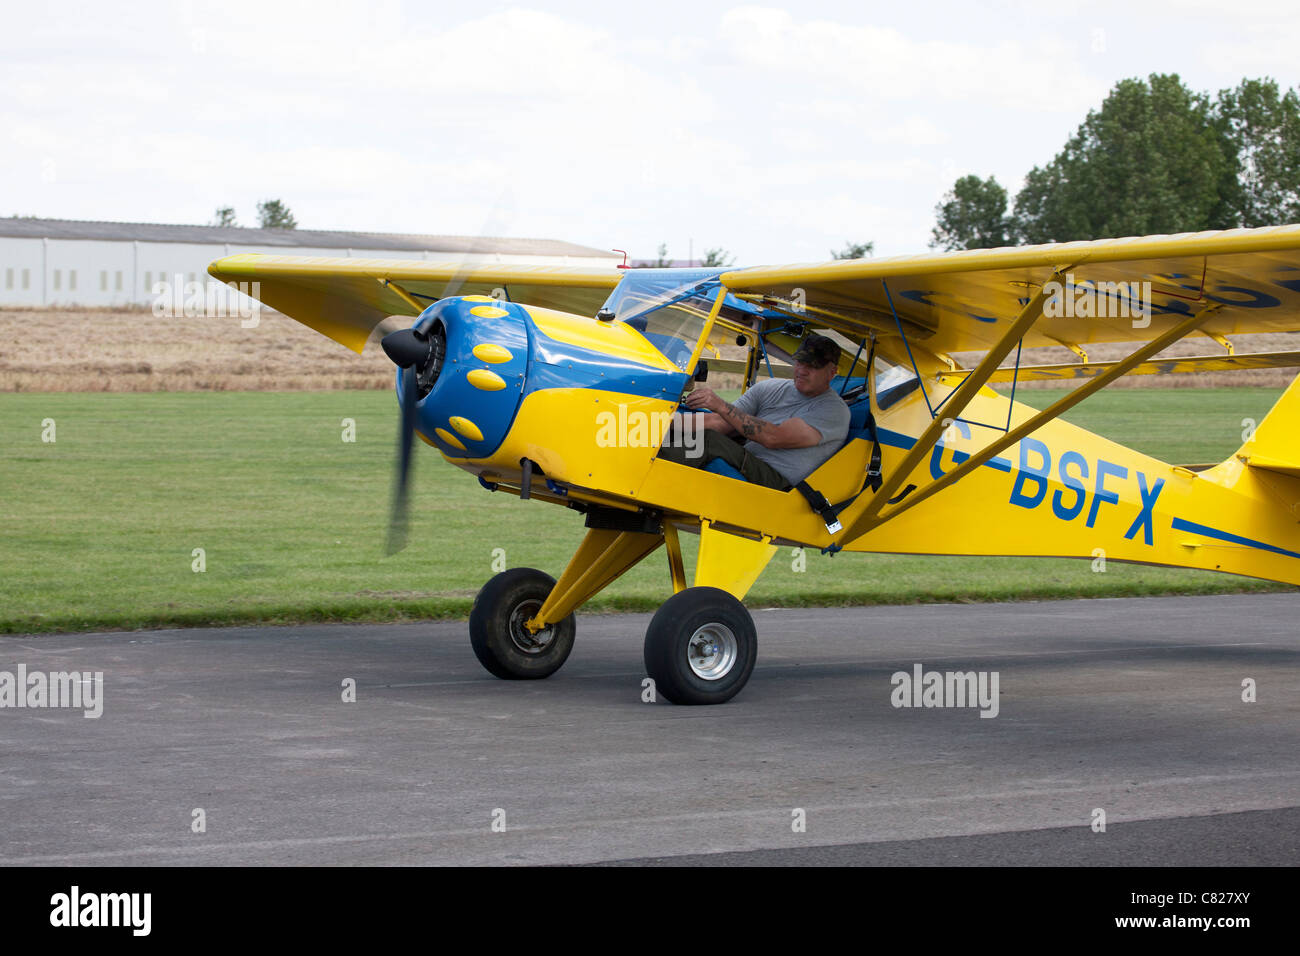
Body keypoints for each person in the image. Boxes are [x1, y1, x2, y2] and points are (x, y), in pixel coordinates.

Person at [658, 334, 851, 490]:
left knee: (709, 442)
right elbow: (719, 422)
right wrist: (661, 418)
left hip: (778, 482)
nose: (802, 370)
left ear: (832, 372)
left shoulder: (834, 411)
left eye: (812, 366)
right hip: (747, 460)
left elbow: (773, 437)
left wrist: (721, 405)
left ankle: (642, 470)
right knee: (677, 428)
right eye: (800, 363)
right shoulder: (771, 388)